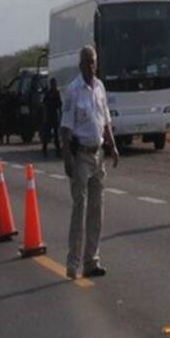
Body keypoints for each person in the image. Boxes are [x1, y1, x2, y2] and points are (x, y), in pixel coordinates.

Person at [59, 46, 119, 279]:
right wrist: (67, 160)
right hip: (81, 155)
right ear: (80, 64)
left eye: (94, 62)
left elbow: (105, 121)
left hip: (98, 155)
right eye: (87, 63)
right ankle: (73, 263)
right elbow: (65, 129)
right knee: (79, 208)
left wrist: (112, 146)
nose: (91, 67)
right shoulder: (73, 91)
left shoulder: (100, 88)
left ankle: (91, 260)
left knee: (96, 209)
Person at [42, 77, 62, 157]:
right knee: (47, 133)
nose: (54, 85)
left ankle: (58, 151)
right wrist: (45, 114)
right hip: (49, 115)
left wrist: (60, 112)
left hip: (54, 115)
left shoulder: (56, 93)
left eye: (55, 84)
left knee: (56, 134)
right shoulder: (48, 93)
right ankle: (44, 149)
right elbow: (44, 103)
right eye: (53, 84)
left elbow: (59, 104)